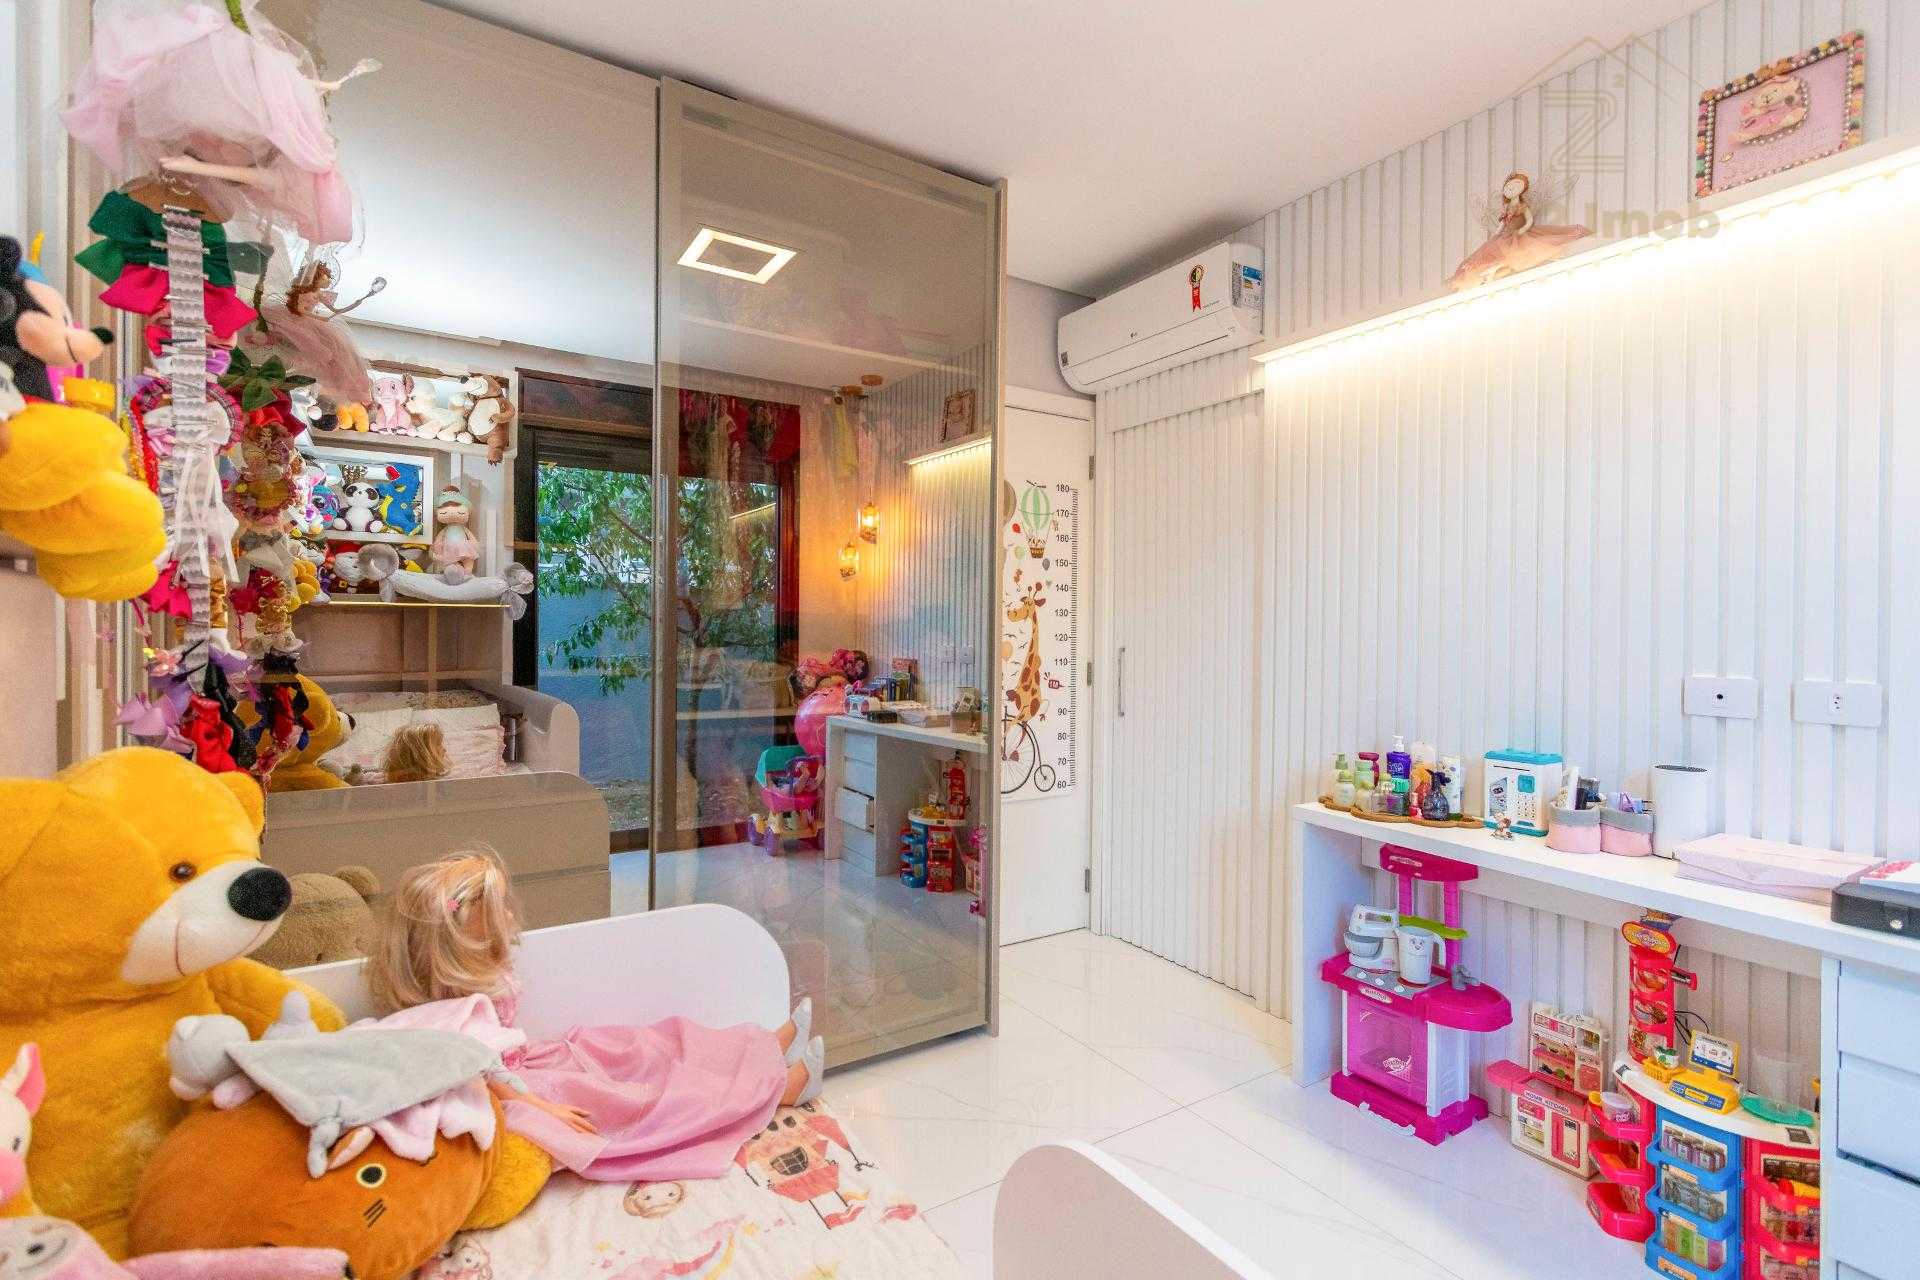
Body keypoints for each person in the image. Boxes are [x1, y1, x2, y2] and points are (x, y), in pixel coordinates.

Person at [367, 851, 823, 1181]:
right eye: (496, 910)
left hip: (535, 1062)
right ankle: (777, 1088)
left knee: (647, 1046)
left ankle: (763, 1046)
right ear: (464, 938)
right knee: (639, 1096)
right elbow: (489, 1076)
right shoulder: (457, 1017)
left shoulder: (472, 989)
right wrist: (542, 1107)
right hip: (524, 1088)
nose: (508, 914)